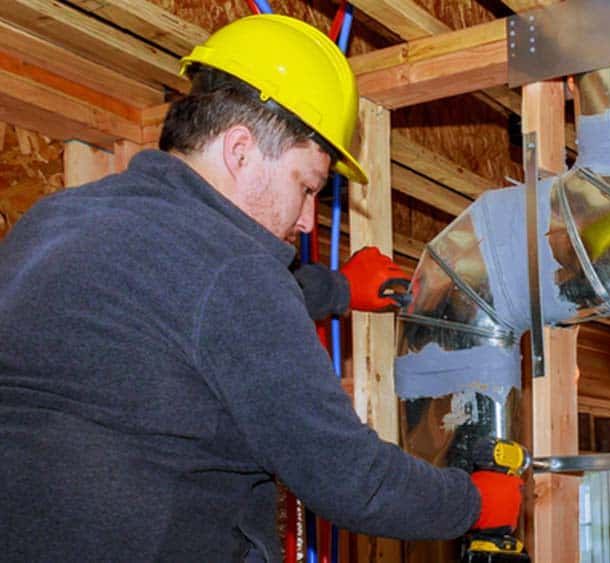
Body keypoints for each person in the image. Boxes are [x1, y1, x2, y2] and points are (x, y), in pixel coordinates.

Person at [0, 14, 521, 562]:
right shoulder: (236, 272)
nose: (305, 220)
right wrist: (474, 503)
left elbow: (187, 302)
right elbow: (349, 478)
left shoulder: (55, 218)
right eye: (306, 187)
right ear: (240, 150)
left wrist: (339, 289)